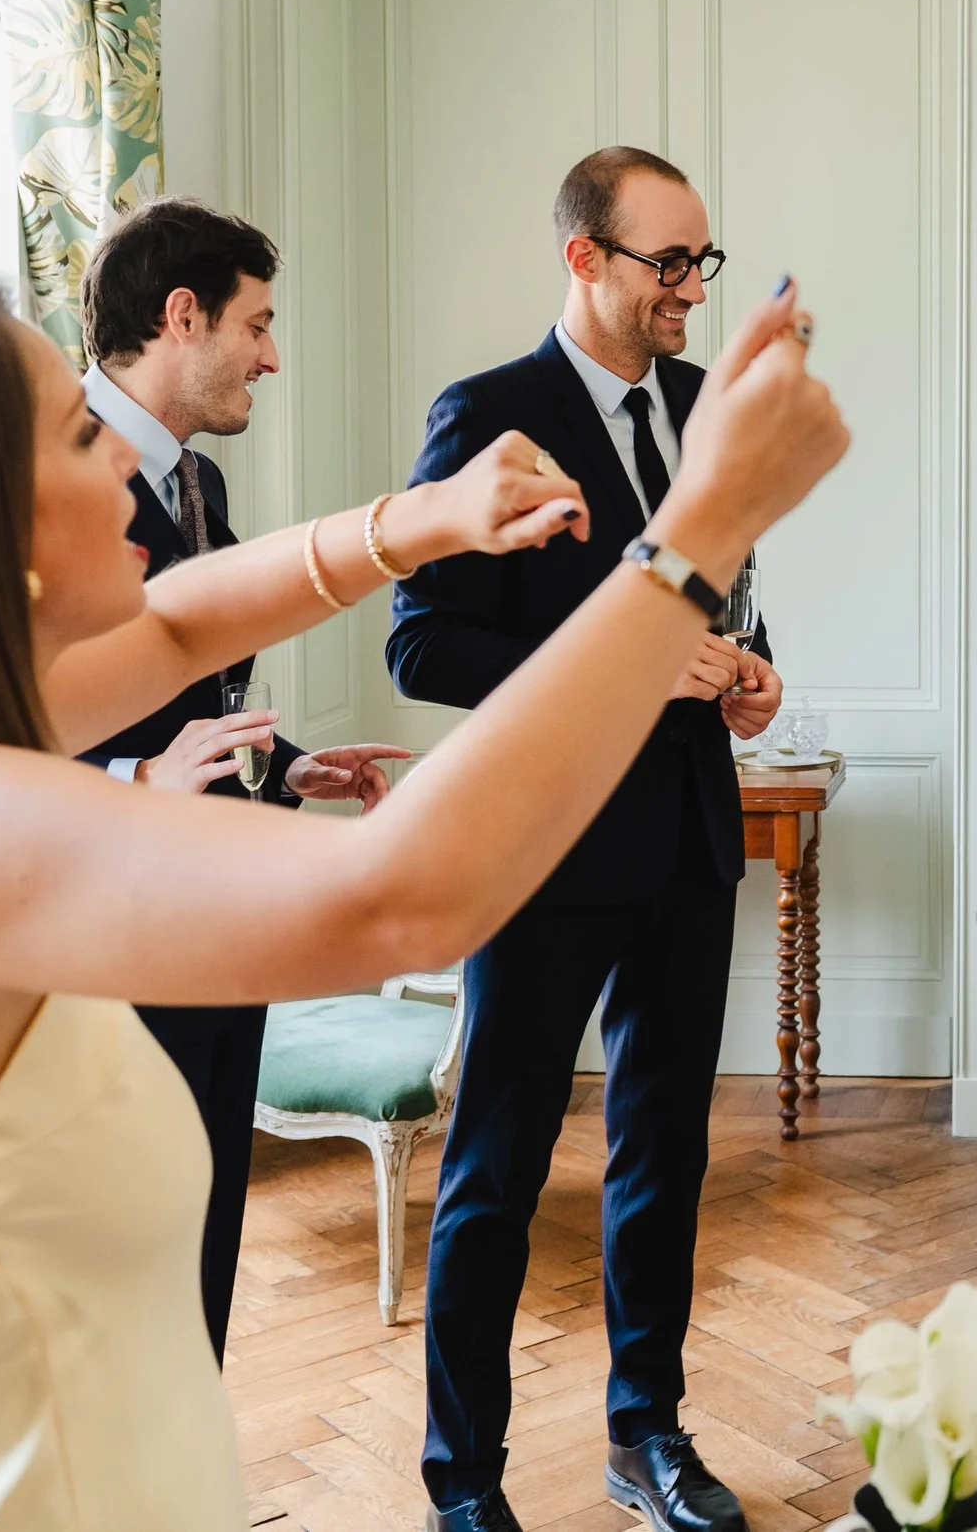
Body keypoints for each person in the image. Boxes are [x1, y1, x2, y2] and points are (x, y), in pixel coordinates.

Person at [0, 273, 839, 1531]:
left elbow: (181, 625)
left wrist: (422, 520)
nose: (123, 465)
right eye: (80, 432)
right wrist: (692, 536)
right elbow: (398, 896)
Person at [390, 145, 785, 1532]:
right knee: (495, 1163)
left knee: (664, 1150)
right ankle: (464, 1478)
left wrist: (750, 674)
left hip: (686, 834)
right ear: (586, 260)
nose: (692, 288)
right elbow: (425, 642)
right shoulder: (489, 413)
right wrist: (616, 658)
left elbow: (730, 608)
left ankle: (647, 1432)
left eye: (701, 261)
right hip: (542, 843)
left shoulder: (704, 408)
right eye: (666, 263)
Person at [73, 196, 415, 1360]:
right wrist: (131, 779)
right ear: (183, 316)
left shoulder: (196, 487)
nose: (271, 355)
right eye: (257, 325)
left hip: (217, 923)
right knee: (124, 1246)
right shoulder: (51, 476)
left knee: (203, 1229)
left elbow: (190, 699)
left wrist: (277, 771)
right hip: (108, 943)